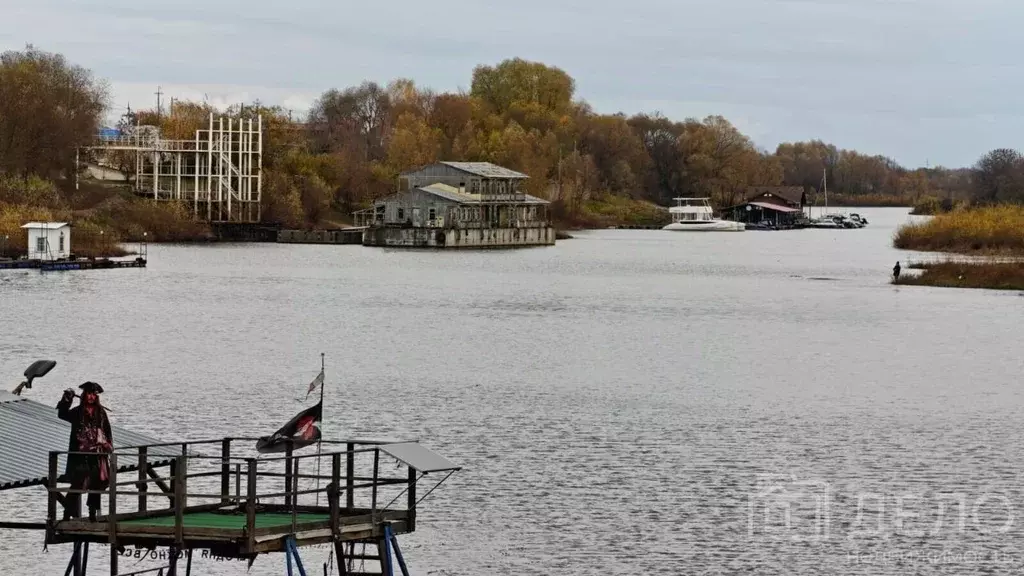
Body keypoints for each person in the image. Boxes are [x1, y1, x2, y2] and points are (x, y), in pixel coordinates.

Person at [57, 382, 113, 521]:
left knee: (96, 484)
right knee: (77, 484)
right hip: (80, 455)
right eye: (89, 394)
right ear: (84, 395)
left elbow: (107, 431)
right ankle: (67, 514)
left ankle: (92, 514)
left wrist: (109, 446)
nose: (91, 397)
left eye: (94, 394)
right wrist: (66, 399)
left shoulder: (101, 413)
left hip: (97, 454)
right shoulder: (77, 412)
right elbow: (62, 414)